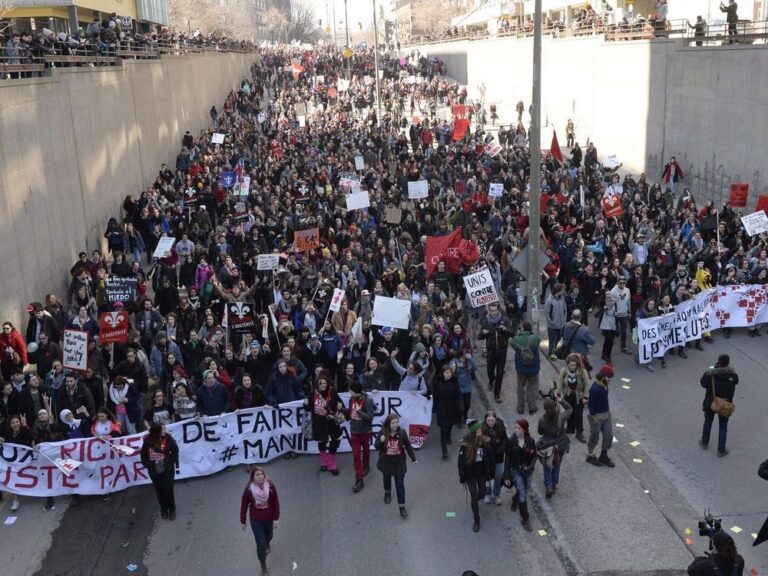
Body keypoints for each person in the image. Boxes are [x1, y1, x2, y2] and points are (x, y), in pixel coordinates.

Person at [375, 413, 417, 518]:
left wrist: (413, 458)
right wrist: (380, 442)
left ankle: (402, 507)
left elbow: (407, 445)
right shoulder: (382, 432)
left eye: (397, 422)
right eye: (393, 423)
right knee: (386, 478)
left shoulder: (402, 432)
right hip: (386, 462)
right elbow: (376, 446)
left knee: (400, 486)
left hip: (399, 463)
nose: (395, 425)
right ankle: (387, 493)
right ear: (388, 424)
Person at [240, 466, 280, 576]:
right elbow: (243, 505)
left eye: (261, 474)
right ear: (253, 477)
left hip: (268, 518)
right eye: (257, 475)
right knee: (260, 544)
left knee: (270, 535)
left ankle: (268, 543)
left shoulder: (270, 486)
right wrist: (243, 521)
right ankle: (263, 567)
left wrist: (276, 518)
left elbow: (275, 501)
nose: (260, 476)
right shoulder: (249, 490)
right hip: (256, 520)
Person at [303, 374, 344, 475]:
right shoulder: (313, 393)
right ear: (317, 384)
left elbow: (340, 403)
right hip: (319, 422)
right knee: (322, 442)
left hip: (332, 422)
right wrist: (306, 404)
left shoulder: (332, 391)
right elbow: (308, 409)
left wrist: (339, 406)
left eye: (325, 383)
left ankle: (331, 463)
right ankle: (323, 462)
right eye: (321, 383)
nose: (323, 385)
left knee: (334, 441)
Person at [699, 354, 738, 457]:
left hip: (711, 402)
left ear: (718, 362)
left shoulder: (711, 373)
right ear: (728, 363)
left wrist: (711, 369)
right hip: (725, 404)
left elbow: (703, 383)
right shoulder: (732, 374)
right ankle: (721, 450)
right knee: (723, 426)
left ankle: (704, 442)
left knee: (708, 422)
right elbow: (736, 381)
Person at [458, 419, 492, 532]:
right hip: (470, 474)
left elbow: (489, 456)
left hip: (481, 473)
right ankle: (476, 519)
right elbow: (461, 463)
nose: (480, 431)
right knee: (474, 495)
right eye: (477, 430)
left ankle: (475, 502)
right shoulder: (466, 444)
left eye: (480, 429)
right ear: (473, 432)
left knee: (482, 493)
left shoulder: (484, 441)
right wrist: (462, 478)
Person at [140, 422, 179, 520]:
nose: (164, 431)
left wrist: (170, 462)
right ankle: (164, 509)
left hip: (167, 469)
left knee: (168, 490)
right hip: (154, 471)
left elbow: (175, 450)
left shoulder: (168, 438)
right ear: (156, 431)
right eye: (162, 430)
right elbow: (143, 456)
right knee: (160, 491)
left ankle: (172, 510)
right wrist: (149, 465)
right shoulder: (148, 441)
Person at [504, 419, 537, 531]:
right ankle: (525, 519)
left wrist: (530, 466)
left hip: (528, 471)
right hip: (516, 470)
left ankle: (515, 499)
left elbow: (535, 456)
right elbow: (507, 459)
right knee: (523, 494)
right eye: (516, 427)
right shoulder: (511, 441)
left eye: (519, 428)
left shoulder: (530, 441)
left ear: (524, 429)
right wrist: (507, 476)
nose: (517, 430)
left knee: (524, 490)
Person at [537, 394, 572, 498]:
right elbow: (570, 408)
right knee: (557, 463)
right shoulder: (561, 417)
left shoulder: (542, 419)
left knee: (547, 465)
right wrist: (560, 400)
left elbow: (540, 432)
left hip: (547, 445)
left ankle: (548, 486)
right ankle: (554, 484)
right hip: (560, 444)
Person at [477, 303, 511, 403]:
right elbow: (480, 337)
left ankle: (497, 393)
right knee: (490, 370)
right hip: (491, 351)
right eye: (492, 311)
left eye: (495, 310)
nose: (494, 312)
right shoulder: (486, 321)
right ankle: (491, 380)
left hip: (502, 350)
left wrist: (505, 330)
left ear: (498, 310)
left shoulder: (504, 320)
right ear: (489, 310)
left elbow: (511, 333)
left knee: (500, 373)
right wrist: (483, 333)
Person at [346, 381, 375, 492]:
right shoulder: (351, 400)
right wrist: (340, 410)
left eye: (350, 390)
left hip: (365, 431)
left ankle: (366, 465)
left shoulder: (366, 401)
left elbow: (370, 417)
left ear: (355, 391)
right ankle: (359, 479)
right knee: (356, 455)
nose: (349, 392)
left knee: (366, 449)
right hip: (354, 431)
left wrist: (359, 412)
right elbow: (350, 412)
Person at [555, 353, 589, 442]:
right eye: (571, 365)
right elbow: (560, 382)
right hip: (568, 395)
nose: (573, 367)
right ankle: (570, 428)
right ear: (568, 364)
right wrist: (558, 393)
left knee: (578, 414)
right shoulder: (564, 371)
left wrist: (586, 397)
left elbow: (587, 384)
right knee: (569, 413)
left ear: (577, 364)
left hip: (579, 396)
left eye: (575, 365)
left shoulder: (582, 372)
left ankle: (579, 433)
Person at [509, 321, 541, 415]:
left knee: (520, 387)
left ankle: (520, 407)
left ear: (522, 328)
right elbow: (538, 344)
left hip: (521, 368)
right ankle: (532, 407)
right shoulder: (536, 338)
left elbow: (512, 343)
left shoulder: (515, 339)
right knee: (531, 387)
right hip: (533, 367)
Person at [586, 365, 615, 468]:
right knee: (594, 436)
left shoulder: (605, 385)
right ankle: (590, 455)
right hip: (597, 417)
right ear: (603, 376)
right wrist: (593, 417)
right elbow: (591, 405)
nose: (610, 380)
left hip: (606, 414)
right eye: (608, 377)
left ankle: (603, 455)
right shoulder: (595, 388)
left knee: (608, 435)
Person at [432, 364, 464, 459]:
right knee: (443, 428)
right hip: (442, 408)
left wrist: (461, 407)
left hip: (452, 407)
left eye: (450, 372)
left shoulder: (454, 382)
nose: (448, 374)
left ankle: (448, 436)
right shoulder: (437, 382)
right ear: (443, 373)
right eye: (446, 373)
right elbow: (435, 395)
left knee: (450, 425)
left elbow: (459, 395)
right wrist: (434, 407)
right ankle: (444, 450)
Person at [482, 411, 507, 506]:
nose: (490, 423)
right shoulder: (483, 429)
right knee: (487, 476)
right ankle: (487, 493)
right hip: (487, 457)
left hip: (498, 456)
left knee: (499, 475)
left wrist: (501, 449)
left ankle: (496, 494)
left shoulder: (500, 426)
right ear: (485, 420)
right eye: (488, 420)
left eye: (492, 420)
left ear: (495, 420)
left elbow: (505, 439)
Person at [544, 284, 567, 359]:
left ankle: (554, 350)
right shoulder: (549, 300)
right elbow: (547, 313)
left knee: (559, 338)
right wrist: (552, 322)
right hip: (552, 326)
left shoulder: (562, 298)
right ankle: (551, 353)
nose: (564, 291)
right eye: (563, 289)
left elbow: (564, 308)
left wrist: (564, 319)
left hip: (560, 325)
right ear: (558, 290)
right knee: (552, 340)